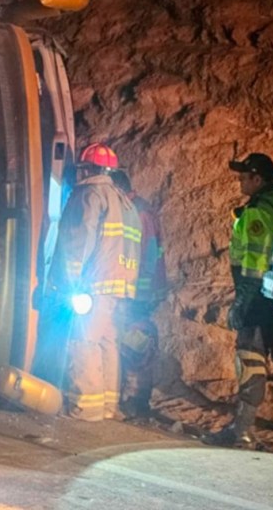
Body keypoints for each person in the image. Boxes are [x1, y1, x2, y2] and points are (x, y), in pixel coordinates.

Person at [48, 142, 142, 421]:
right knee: (107, 343)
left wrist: (70, 282)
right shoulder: (125, 203)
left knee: (83, 341)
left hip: (93, 285)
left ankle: (86, 409)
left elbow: (78, 241)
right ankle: (109, 406)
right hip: (120, 288)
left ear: (88, 169)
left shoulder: (89, 195)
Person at [205, 153, 273, 447]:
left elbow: (253, 266)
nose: (240, 182)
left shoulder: (258, 212)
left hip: (260, 297)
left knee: (250, 358)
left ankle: (242, 431)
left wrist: (242, 304)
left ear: (258, 179)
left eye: (244, 177)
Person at [111, 169, 167, 419]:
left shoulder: (138, 212)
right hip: (139, 289)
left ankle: (138, 400)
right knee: (133, 342)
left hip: (141, 291)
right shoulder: (134, 208)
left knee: (137, 344)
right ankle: (132, 397)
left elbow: (147, 255)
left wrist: (135, 291)